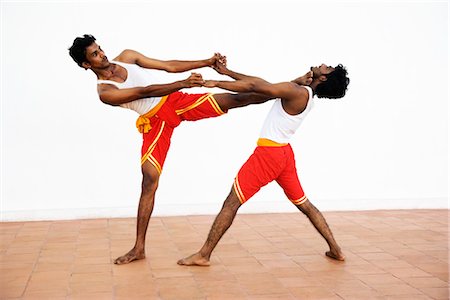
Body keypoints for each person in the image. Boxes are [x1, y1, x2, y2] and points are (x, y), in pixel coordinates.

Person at [68, 34, 313, 265]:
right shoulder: (105, 92)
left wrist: (206, 62)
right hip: (154, 122)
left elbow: (168, 65)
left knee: (239, 98)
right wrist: (182, 84)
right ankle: (138, 248)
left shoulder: (128, 56)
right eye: (95, 55)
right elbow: (146, 92)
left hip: (175, 103)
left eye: (99, 49)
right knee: (149, 179)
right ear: (85, 65)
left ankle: (292, 86)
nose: (102, 54)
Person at [177, 61, 350, 266]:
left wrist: (216, 82)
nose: (322, 64)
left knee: (231, 202)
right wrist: (227, 71)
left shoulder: (298, 91)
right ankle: (336, 249)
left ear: (323, 78)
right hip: (284, 154)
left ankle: (204, 254)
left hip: (268, 155)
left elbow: (255, 87)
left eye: (326, 68)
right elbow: (263, 85)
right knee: (305, 205)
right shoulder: (304, 94)